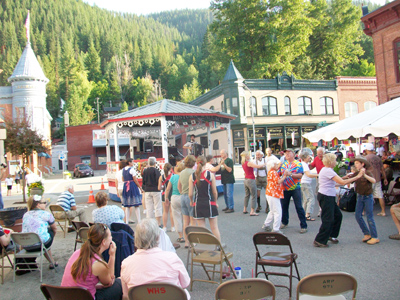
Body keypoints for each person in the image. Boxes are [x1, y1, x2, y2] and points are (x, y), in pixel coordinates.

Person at [120, 219, 190, 300]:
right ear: (157, 238)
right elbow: (185, 283)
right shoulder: (172, 258)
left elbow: (126, 294)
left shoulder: (127, 263)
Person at [61, 223, 122, 300]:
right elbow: (109, 282)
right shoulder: (98, 264)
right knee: (120, 283)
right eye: (110, 236)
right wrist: (112, 256)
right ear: (103, 241)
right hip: (85, 297)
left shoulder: (77, 253)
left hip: (63, 296)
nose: (111, 238)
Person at [313, 153, 362, 247]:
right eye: (335, 160)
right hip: (326, 196)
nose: (336, 162)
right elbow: (342, 182)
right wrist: (357, 177)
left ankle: (331, 235)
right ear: (331, 161)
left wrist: (345, 177)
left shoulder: (327, 170)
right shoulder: (328, 171)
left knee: (337, 216)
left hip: (328, 196)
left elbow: (335, 182)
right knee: (328, 219)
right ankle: (320, 240)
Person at [348, 156, 379, 245]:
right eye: (355, 163)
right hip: (360, 196)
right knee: (358, 215)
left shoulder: (368, 172)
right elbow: (350, 179)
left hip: (367, 197)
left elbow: (373, 181)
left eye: (357, 163)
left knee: (369, 216)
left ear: (363, 164)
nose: (355, 165)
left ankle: (375, 237)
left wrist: (364, 175)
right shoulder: (356, 173)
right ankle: (367, 233)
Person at [189, 156, 221, 241]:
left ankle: (204, 247)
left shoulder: (192, 176)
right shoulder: (210, 175)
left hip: (198, 203)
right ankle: (218, 247)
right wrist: (216, 201)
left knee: (202, 229)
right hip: (209, 203)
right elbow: (214, 192)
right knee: (214, 228)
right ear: (205, 163)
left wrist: (191, 201)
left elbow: (190, 193)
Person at [22, 195, 57, 268]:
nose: (45, 204)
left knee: (42, 235)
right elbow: (54, 228)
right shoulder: (46, 214)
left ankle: (51, 261)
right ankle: (52, 262)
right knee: (49, 232)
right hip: (41, 245)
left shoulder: (25, 215)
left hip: (26, 245)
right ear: (38, 205)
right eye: (44, 202)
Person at [278, 149, 307, 233]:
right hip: (284, 188)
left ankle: (303, 225)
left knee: (299, 207)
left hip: (295, 188)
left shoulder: (298, 164)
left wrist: (290, 174)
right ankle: (284, 222)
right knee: (284, 206)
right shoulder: (283, 164)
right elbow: (278, 173)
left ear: (293, 154)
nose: (286, 154)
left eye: (288, 153)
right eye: (285, 153)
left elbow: (300, 175)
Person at [262, 160, 286, 233]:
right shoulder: (273, 172)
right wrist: (285, 176)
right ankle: (276, 229)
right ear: (272, 166)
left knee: (272, 210)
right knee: (278, 211)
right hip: (273, 193)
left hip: (270, 192)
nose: (277, 166)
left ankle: (266, 224)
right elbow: (278, 181)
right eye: (275, 164)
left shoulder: (270, 172)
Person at [365, 143, 388, 216]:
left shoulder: (366, 158)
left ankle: (363, 211)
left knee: (366, 194)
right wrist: (385, 178)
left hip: (369, 179)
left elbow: (363, 169)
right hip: (377, 178)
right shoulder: (378, 158)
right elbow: (382, 169)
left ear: (367, 150)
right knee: (380, 195)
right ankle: (383, 211)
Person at [178, 155, 196, 248]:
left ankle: (186, 242)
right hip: (191, 196)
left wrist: (182, 193)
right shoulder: (193, 172)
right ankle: (193, 241)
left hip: (183, 196)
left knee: (185, 221)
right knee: (193, 221)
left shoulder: (181, 173)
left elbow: (179, 186)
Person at [241, 151, 266, 216]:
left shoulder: (243, 163)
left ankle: (245, 209)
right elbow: (258, 166)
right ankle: (252, 211)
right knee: (254, 195)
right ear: (246, 156)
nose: (249, 156)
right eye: (248, 155)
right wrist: (264, 164)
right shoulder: (248, 163)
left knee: (247, 195)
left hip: (246, 179)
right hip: (251, 179)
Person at [165, 162, 185, 243]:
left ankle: (180, 236)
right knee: (186, 218)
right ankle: (188, 235)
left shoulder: (173, 177)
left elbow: (168, 189)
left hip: (174, 197)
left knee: (177, 217)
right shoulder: (185, 176)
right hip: (183, 196)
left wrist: (166, 197)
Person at [122, 158, 143, 224]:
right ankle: (139, 220)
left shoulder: (123, 170)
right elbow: (135, 179)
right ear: (129, 163)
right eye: (132, 162)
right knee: (136, 205)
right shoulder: (132, 170)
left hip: (126, 186)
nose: (133, 163)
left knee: (127, 205)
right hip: (132, 186)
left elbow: (123, 179)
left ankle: (127, 221)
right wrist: (140, 188)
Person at [142, 157, 161, 226]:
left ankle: (150, 223)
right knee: (157, 206)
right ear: (155, 163)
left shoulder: (145, 171)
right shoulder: (156, 171)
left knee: (149, 207)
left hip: (147, 190)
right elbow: (158, 180)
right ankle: (158, 223)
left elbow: (143, 181)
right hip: (155, 190)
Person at [300, 151, 319, 221]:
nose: (309, 158)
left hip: (303, 183)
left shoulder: (304, 164)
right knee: (311, 198)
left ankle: (303, 213)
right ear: (304, 158)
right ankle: (308, 214)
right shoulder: (304, 165)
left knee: (306, 199)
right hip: (305, 183)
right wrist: (318, 175)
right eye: (308, 157)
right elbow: (308, 174)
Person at [158, 163, 175, 232]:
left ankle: (164, 227)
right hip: (172, 194)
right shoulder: (173, 176)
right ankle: (172, 226)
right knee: (171, 212)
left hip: (164, 194)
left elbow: (159, 188)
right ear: (171, 168)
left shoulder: (161, 177)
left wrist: (162, 187)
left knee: (165, 211)